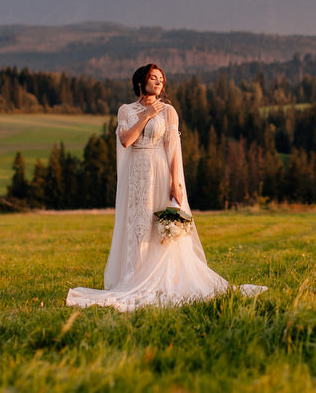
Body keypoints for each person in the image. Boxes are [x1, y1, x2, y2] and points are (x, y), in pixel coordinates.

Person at [66, 64, 265, 310]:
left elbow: (173, 150)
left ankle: (163, 278)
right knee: (137, 226)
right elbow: (126, 140)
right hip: (136, 175)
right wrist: (146, 115)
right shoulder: (126, 110)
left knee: (159, 227)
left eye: (161, 79)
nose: (158, 82)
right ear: (141, 81)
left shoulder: (169, 111)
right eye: (153, 78)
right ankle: (134, 277)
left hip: (160, 173)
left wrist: (176, 182)